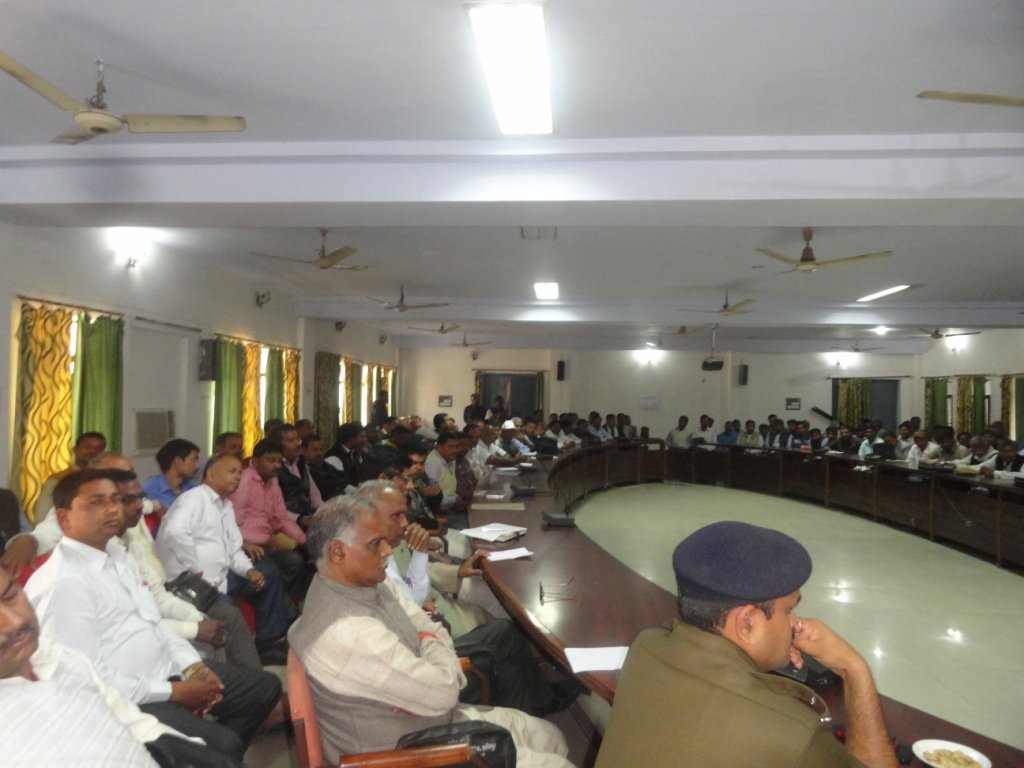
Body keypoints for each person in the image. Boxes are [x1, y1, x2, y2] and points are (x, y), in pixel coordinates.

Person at [287, 495, 573, 767]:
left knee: (550, 736)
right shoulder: (349, 631)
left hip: (428, 722)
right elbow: (446, 690)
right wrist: (431, 649)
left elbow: (424, 622)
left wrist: (427, 644)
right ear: (337, 552)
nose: (388, 551)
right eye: (375, 544)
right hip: (408, 752)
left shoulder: (370, 583)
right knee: (558, 763)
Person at [25, 470, 281, 761]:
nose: (112, 509)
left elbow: (154, 623)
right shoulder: (64, 583)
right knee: (224, 745)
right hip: (130, 699)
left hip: (167, 669)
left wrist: (193, 666)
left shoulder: (118, 555)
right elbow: (87, 679)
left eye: (115, 499)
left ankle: (197, 752)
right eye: (96, 502)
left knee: (264, 688)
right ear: (64, 518)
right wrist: (173, 692)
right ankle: (202, 751)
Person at [596, 521, 896, 768]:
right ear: (748, 623)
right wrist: (854, 669)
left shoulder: (646, 647)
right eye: (789, 610)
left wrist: (764, 655)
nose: (795, 623)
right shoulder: (791, 733)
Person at [156, 455, 292, 665]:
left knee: (269, 574)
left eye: (240, 472)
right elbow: (174, 532)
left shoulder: (226, 507)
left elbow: (234, 550)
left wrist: (249, 571)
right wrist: (194, 568)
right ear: (211, 474)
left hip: (220, 578)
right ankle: (249, 671)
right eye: (232, 471)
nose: (238, 476)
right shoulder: (194, 499)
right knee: (230, 613)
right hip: (188, 585)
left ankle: (268, 642)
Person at [230, 439, 312, 604]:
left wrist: (305, 541)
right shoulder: (244, 482)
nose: (277, 465)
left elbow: (282, 518)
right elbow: (233, 523)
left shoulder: (273, 481)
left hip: (267, 542)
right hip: (245, 546)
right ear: (255, 461)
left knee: (299, 558)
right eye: (271, 460)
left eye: (279, 461)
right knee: (280, 566)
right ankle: (285, 607)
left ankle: (293, 603)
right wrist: (262, 540)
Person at [32, 431, 107, 522]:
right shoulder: (58, 479)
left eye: (99, 448)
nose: (93, 451)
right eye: (87, 447)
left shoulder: (107, 479)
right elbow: (42, 513)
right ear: (75, 450)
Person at [143, 438, 201, 516]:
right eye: (194, 460)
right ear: (177, 461)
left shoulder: (194, 489)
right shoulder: (148, 491)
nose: (198, 465)